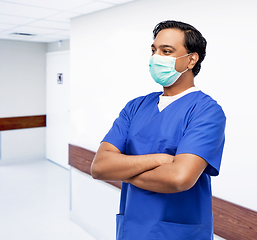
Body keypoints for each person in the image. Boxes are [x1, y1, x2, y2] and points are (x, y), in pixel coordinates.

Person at [91, 20, 226, 240]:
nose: (156, 57)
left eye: (166, 51)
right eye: (154, 50)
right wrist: (161, 159)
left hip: (178, 232)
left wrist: (125, 169)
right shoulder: (135, 107)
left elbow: (179, 178)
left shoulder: (206, 111)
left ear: (191, 59)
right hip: (133, 228)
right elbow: (100, 167)